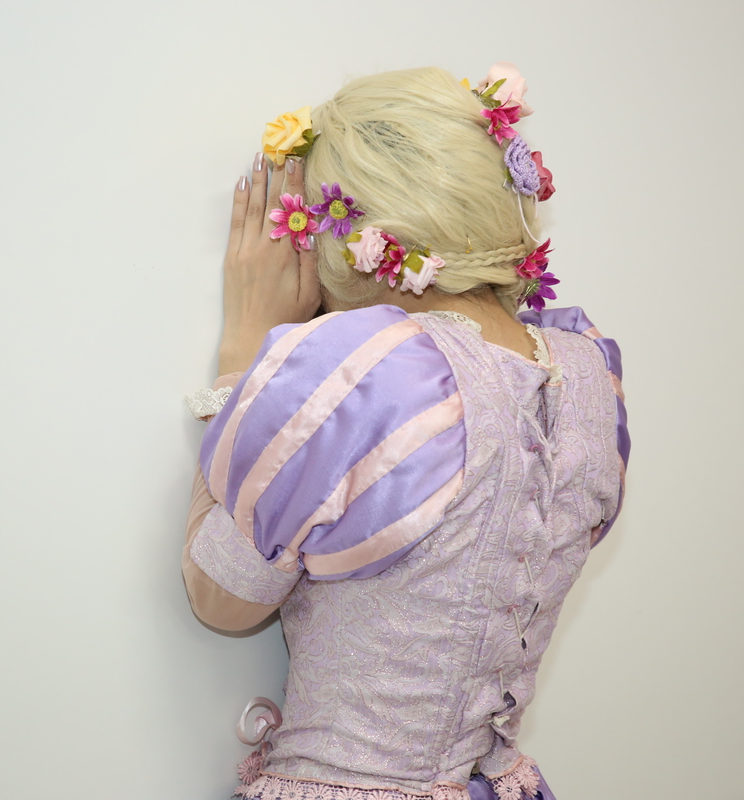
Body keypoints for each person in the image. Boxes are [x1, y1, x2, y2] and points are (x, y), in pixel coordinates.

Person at [181, 65, 630, 800]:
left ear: (350, 240)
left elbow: (222, 598)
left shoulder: (369, 370)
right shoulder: (588, 373)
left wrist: (243, 353)